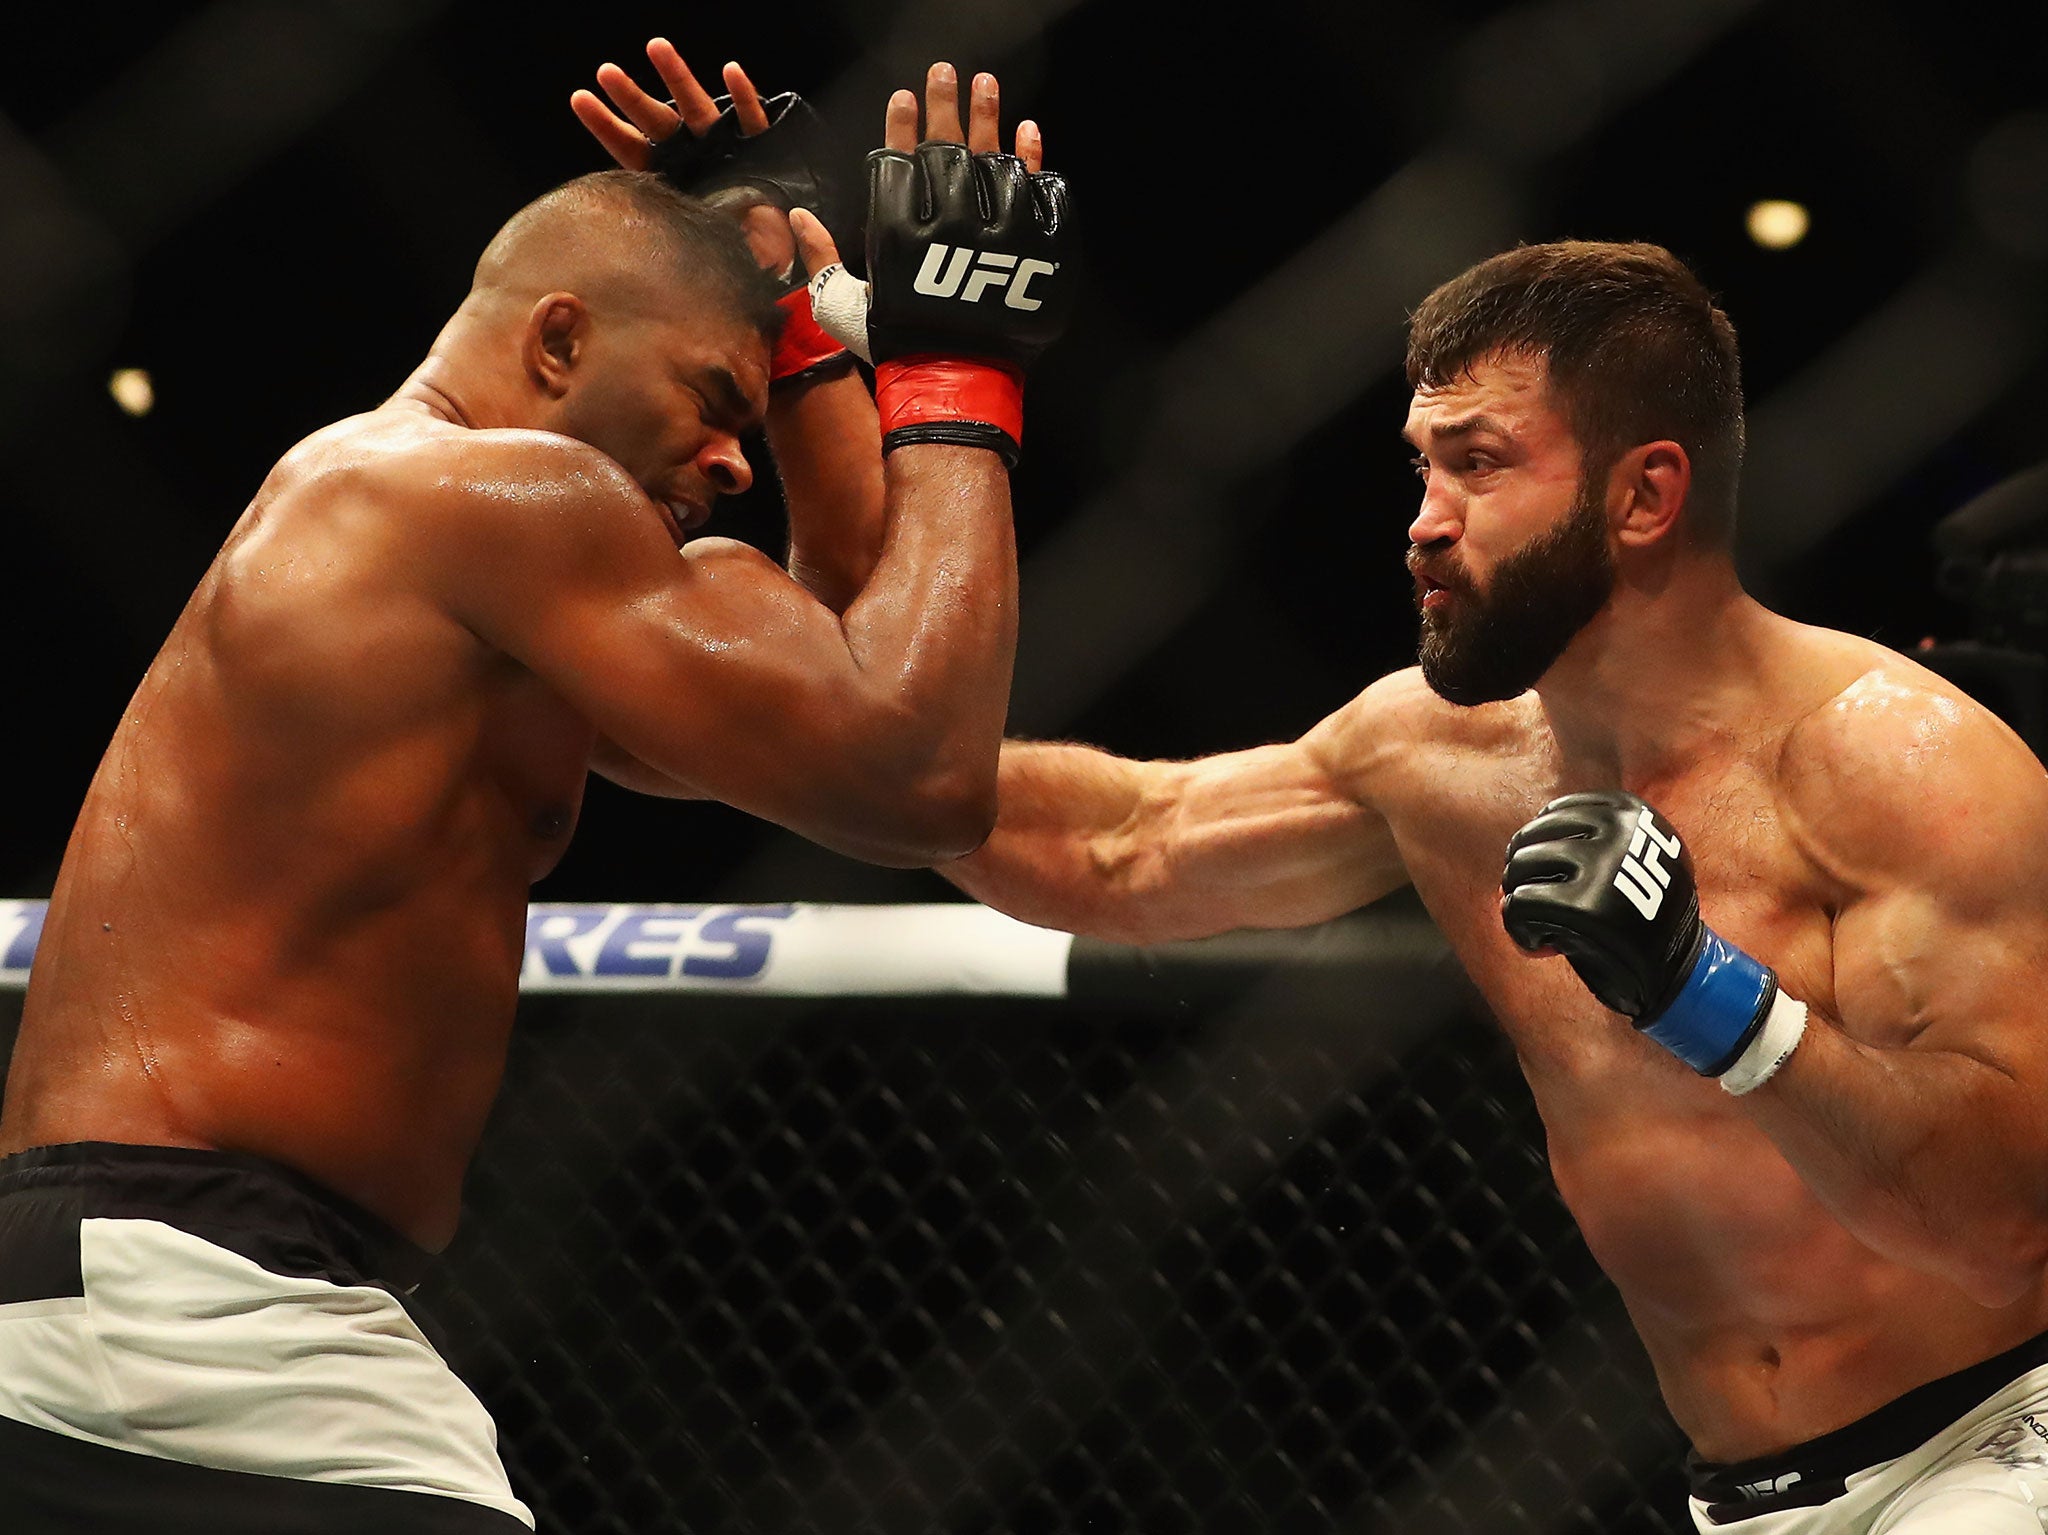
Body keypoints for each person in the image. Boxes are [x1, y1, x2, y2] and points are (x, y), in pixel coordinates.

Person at [0, 58, 1072, 1534]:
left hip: (167, 1284)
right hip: (195, 1302)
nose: (729, 464)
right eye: (712, 401)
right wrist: (955, 372)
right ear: (559, 339)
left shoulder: (418, 543)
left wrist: (807, 340)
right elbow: (922, 771)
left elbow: (838, 690)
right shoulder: (491, 499)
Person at [925, 239, 2048, 1532]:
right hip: (1740, 1495)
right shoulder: (1437, 753)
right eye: (1424, 464)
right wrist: (831, 719)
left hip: (1995, 1447)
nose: (1424, 519)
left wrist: (1705, 995)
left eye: (1481, 462)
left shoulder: (1899, 758)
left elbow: (2004, 1226)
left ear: (1644, 497)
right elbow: (1117, 850)